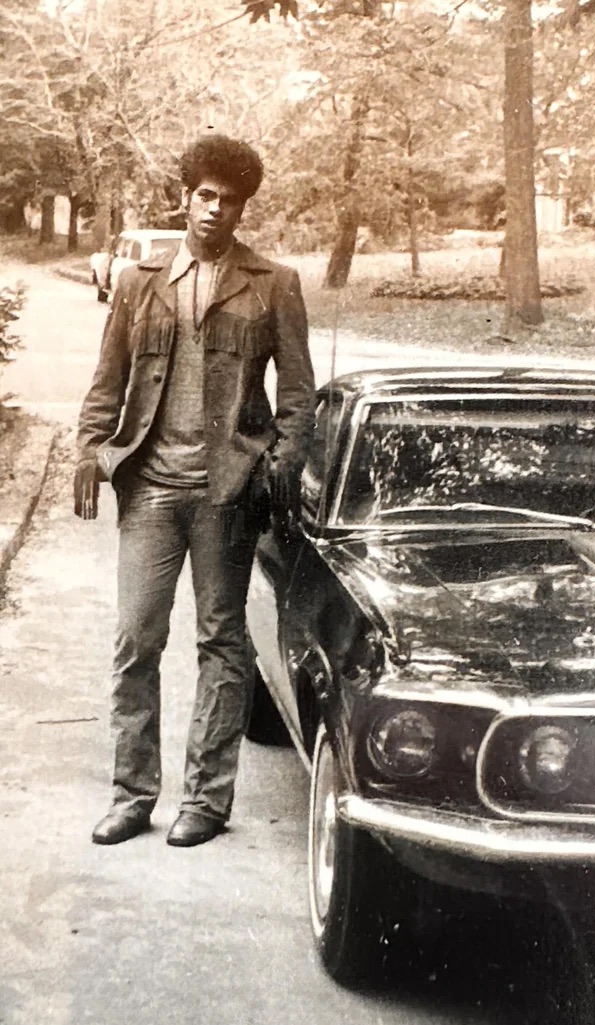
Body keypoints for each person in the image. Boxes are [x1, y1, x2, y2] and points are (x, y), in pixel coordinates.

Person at [75, 134, 315, 848]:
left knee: (222, 640)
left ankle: (206, 800)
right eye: (205, 195)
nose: (215, 210)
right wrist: (90, 446)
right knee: (136, 638)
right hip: (150, 485)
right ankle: (131, 792)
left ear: (244, 208)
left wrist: (274, 463)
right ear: (185, 196)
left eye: (230, 199)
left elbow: (298, 397)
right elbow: (108, 377)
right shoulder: (138, 280)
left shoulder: (273, 283)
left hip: (226, 490)